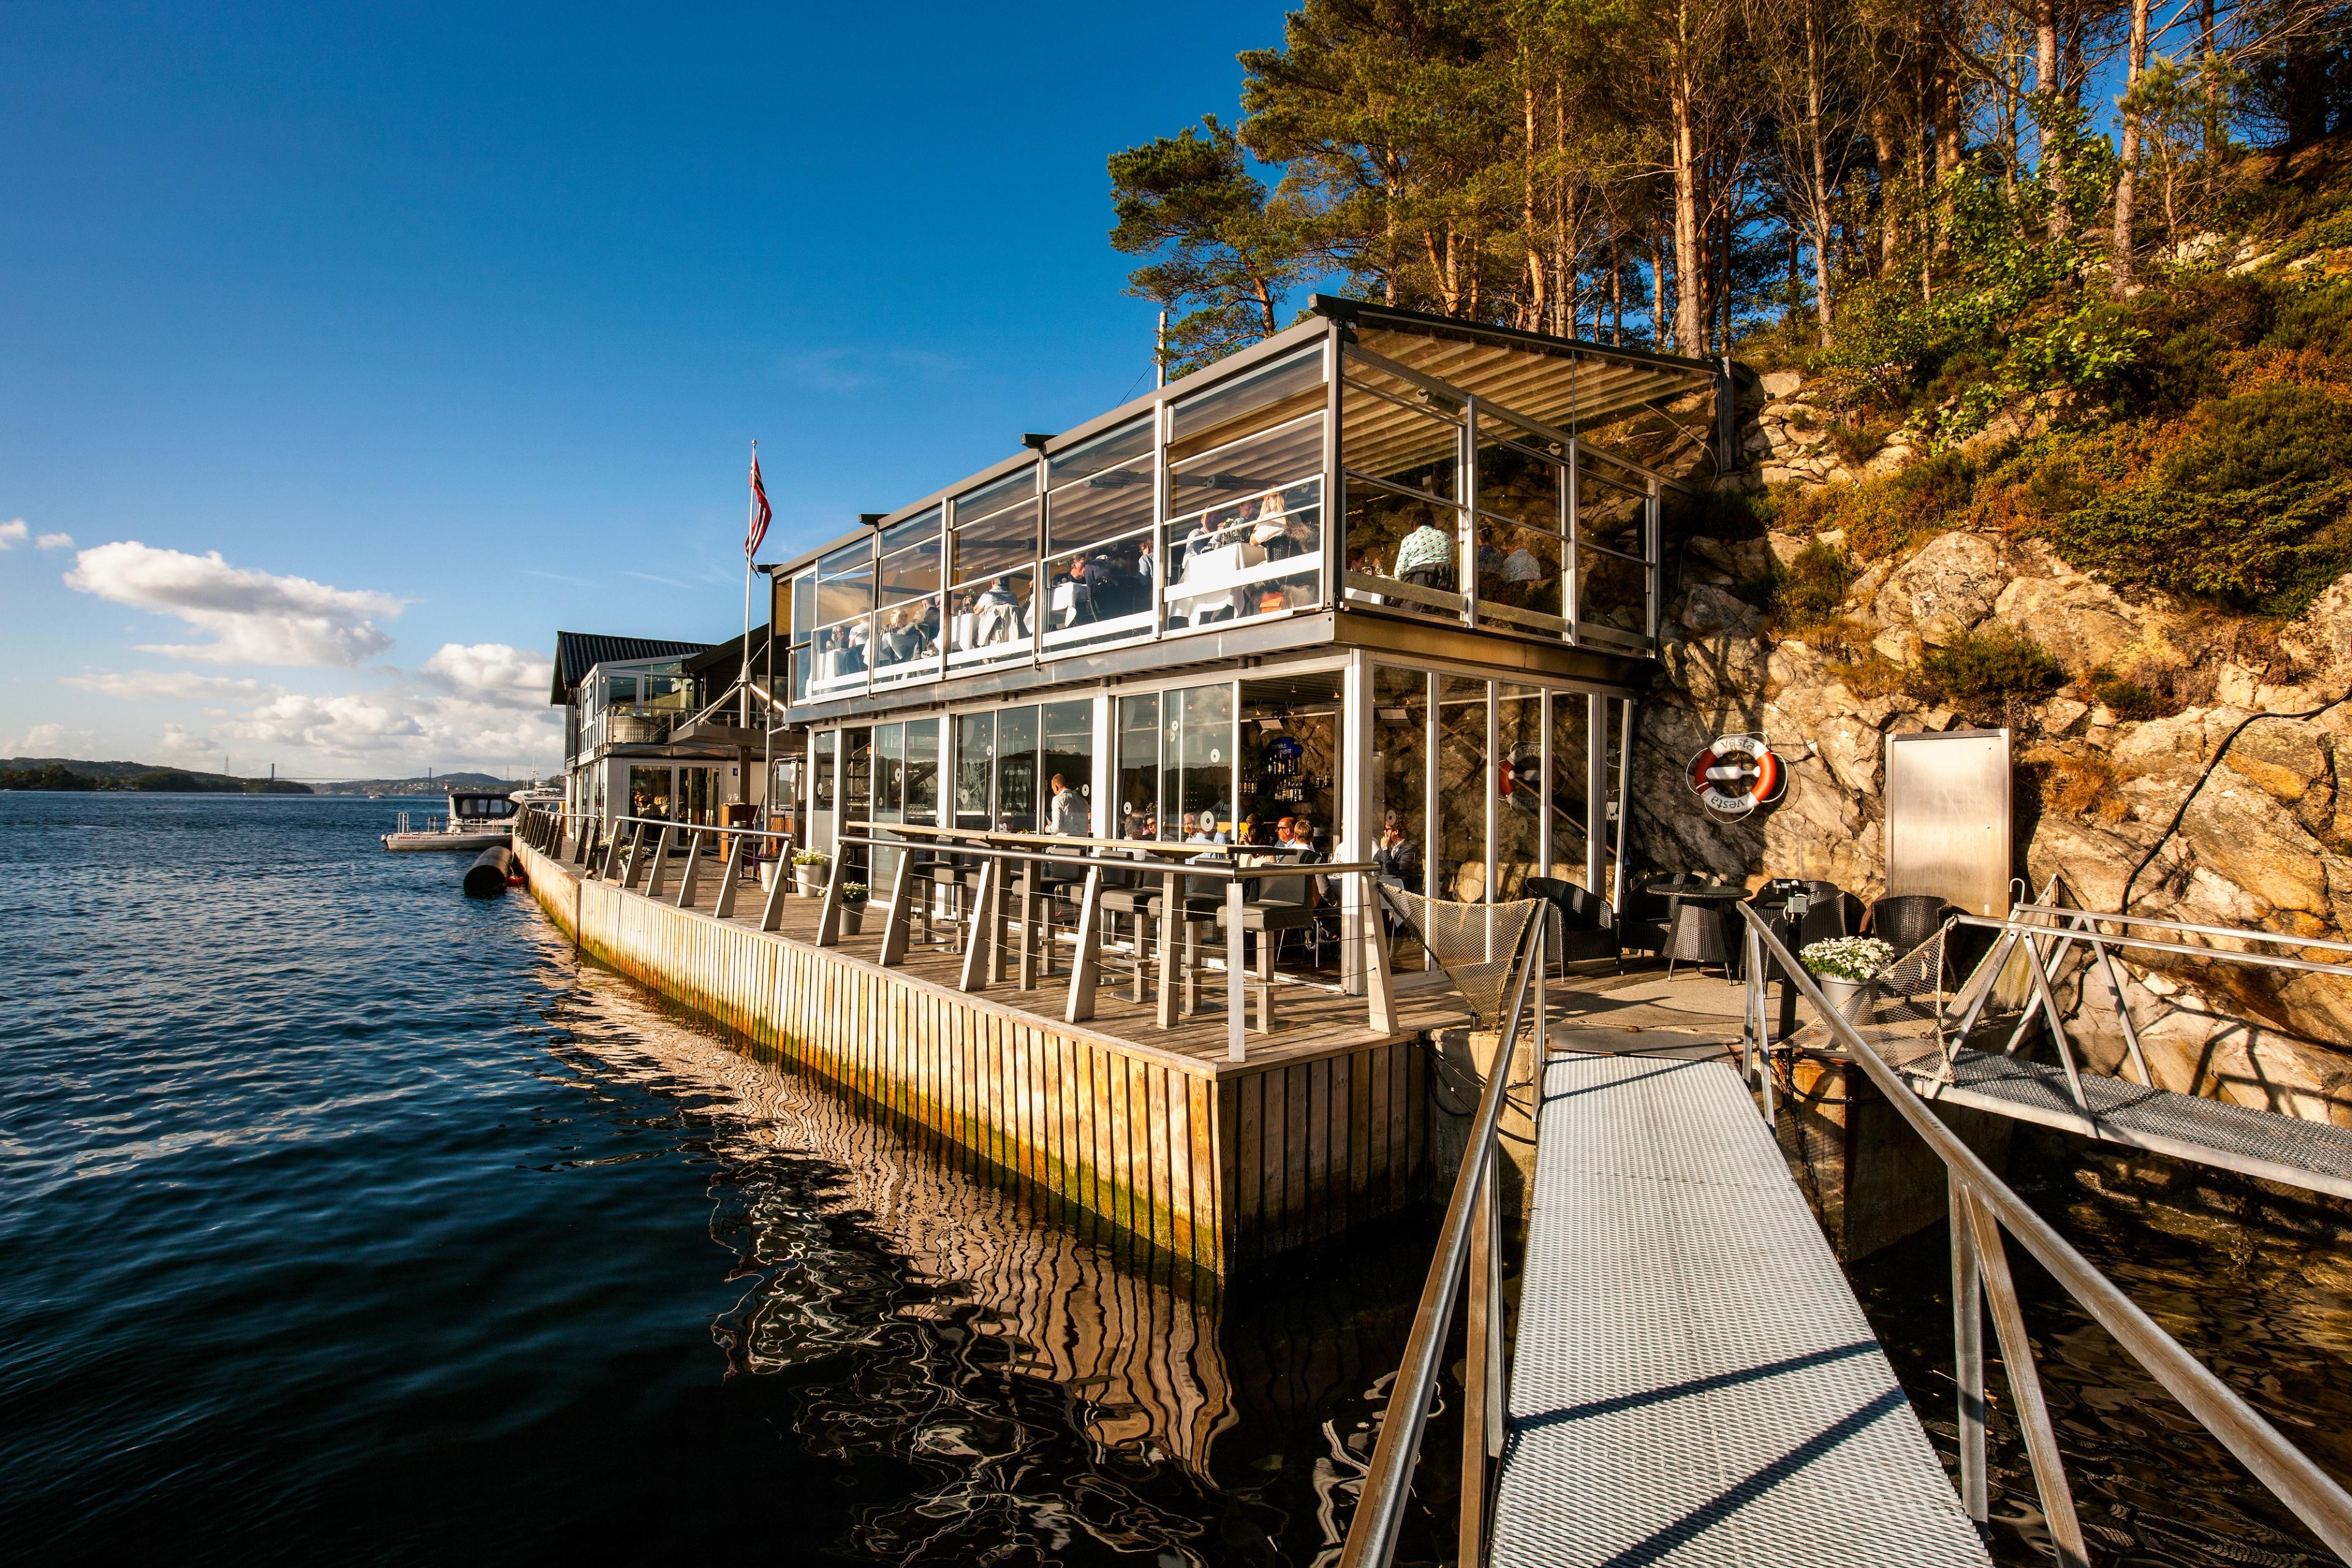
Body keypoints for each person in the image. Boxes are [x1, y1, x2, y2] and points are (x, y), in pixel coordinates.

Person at [1374, 810, 1422, 894]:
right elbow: (1376, 861)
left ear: (1396, 831)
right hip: (1389, 893)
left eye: (1387, 829)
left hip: (1405, 896)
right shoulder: (1390, 847)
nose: (1384, 832)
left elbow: (1390, 873)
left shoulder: (1409, 850)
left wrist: (1385, 849)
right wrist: (1385, 849)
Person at [1046, 772, 1088, 837]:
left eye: (1053, 789)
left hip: (1065, 841)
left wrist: (1048, 829)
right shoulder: (1083, 801)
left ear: (1056, 787)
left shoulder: (1058, 799)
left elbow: (1056, 827)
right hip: (1082, 843)